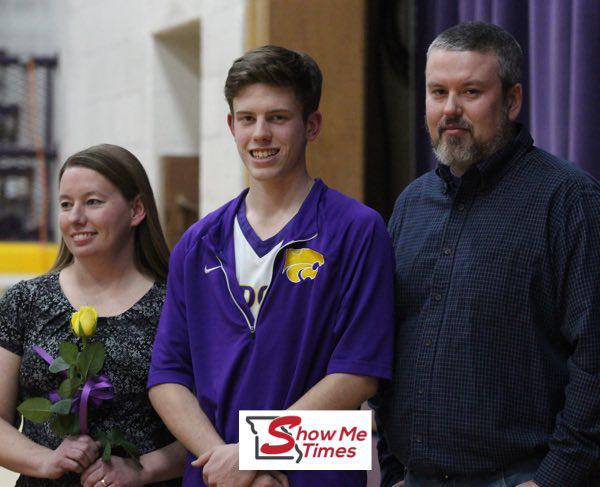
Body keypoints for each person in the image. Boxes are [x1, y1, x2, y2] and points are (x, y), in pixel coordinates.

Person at [147, 45, 395, 487]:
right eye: (247, 119)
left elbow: (358, 374)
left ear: (311, 125)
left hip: (318, 473)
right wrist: (228, 464)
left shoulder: (358, 230)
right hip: (216, 475)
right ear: (231, 126)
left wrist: (258, 453)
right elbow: (168, 377)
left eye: (278, 118)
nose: (260, 133)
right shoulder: (196, 244)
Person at [375, 21, 600, 487]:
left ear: (512, 100)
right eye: (438, 92)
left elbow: (595, 353)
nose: (450, 109)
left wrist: (555, 478)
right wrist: (394, 466)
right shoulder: (411, 205)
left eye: (471, 91)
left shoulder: (569, 199)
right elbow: (386, 345)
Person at [0, 144, 186, 486]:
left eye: (93, 202)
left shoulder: (176, 305)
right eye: (66, 204)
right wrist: (46, 460)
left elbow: (208, 424)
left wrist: (145, 469)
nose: (76, 217)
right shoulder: (24, 302)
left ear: (136, 210)